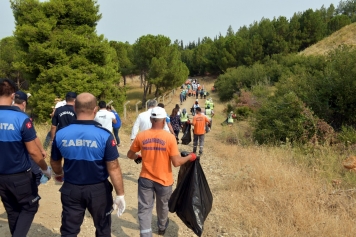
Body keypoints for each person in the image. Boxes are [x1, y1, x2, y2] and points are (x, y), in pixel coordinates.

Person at [50, 92, 126, 236]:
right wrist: (120, 194)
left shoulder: (61, 134)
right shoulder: (104, 135)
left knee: (69, 230)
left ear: (74, 109)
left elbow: (54, 161)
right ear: (95, 110)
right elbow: (113, 167)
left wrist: (59, 174)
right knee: (103, 228)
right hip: (98, 190)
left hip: (71, 188)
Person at [127, 106, 196, 236]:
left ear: (151, 119)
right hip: (164, 180)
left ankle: (146, 234)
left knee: (145, 208)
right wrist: (189, 157)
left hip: (145, 179)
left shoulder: (141, 136)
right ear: (164, 120)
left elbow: (130, 154)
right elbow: (176, 162)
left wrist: (138, 156)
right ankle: (162, 227)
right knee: (163, 206)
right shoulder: (169, 138)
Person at [0, 79, 52, 237]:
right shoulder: (21, 118)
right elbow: (34, 152)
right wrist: (45, 169)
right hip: (20, 175)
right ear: (13, 95)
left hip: (1, 177)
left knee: (12, 210)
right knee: (30, 207)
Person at [13, 91, 47, 186]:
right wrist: (42, 150)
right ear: (24, 103)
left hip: (10, 159)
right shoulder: (23, 117)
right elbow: (33, 137)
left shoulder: (5, 115)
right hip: (26, 154)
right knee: (37, 174)